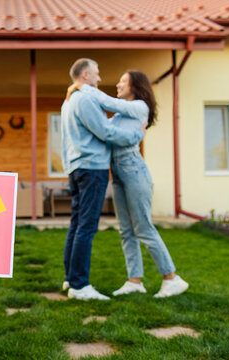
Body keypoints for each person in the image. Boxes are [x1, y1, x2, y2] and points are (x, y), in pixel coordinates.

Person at [69, 70, 189, 298]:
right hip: (118, 174)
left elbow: (108, 104)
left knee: (143, 227)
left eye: (123, 81)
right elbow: (108, 132)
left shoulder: (139, 106)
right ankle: (134, 281)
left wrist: (81, 87)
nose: (118, 84)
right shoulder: (120, 115)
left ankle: (171, 278)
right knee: (126, 231)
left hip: (134, 171)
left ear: (136, 85)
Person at [61, 59, 147, 301]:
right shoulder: (86, 98)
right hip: (92, 168)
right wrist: (136, 134)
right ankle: (80, 286)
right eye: (97, 74)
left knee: (77, 225)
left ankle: (71, 279)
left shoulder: (68, 101)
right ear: (86, 74)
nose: (100, 79)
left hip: (77, 167)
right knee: (86, 227)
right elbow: (106, 132)